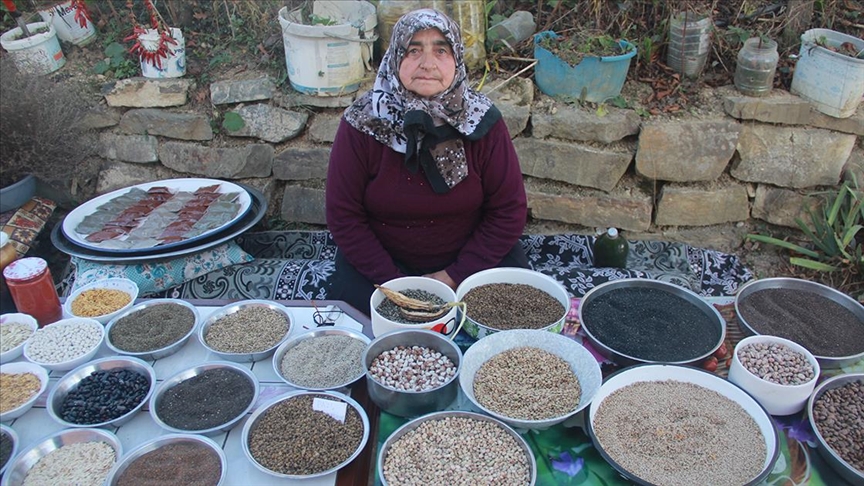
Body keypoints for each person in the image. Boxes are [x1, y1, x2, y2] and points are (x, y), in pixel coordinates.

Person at [325, 8, 528, 315]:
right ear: (395, 58)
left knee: (513, 318)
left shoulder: (481, 121)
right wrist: (396, 284)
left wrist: (454, 276)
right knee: (361, 330)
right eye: (413, 50)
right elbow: (344, 216)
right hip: (382, 267)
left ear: (456, 58)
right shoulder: (364, 122)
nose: (427, 64)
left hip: (470, 261)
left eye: (441, 50)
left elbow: (508, 211)